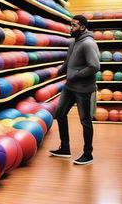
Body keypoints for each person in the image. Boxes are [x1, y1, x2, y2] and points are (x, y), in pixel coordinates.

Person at [49, 15, 100, 165]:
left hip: (83, 89)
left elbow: (94, 66)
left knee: (85, 121)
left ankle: (88, 154)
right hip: (70, 87)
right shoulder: (73, 42)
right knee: (59, 113)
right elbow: (68, 61)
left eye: (74, 25)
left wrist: (76, 75)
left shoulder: (88, 43)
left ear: (83, 27)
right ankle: (65, 148)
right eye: (70, 25)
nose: (70, 28)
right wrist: (59, 71)